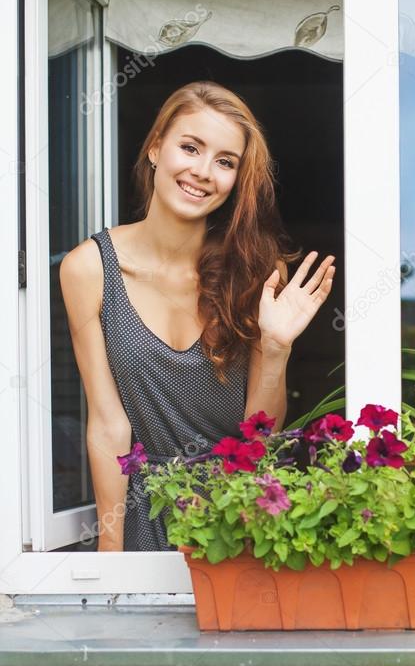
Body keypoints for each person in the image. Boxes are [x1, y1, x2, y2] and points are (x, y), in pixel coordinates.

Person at [59, 81, 335, 552]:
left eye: (225, 162)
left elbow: (260, 435)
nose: (203, 172)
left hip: (238, 516)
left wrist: (275, 350)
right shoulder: (89, 268)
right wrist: (110, 551)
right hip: (145, 517)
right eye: (191, 147)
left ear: (236, 181)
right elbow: (108, 425)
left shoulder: (257, 273)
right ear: (155, 149)